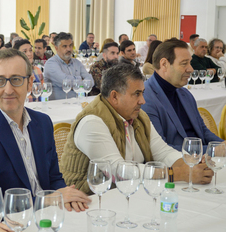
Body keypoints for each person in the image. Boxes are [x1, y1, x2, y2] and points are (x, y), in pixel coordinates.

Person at [0, 49, 91, 227]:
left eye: (16, 79)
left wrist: (64, 194)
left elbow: (54, 177)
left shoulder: (42, 123)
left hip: (46, 219)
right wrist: (47, 200)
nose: (7, 89)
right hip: (9, 225)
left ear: (30, 83)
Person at [60, 63, 213, 195]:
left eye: (143, 93)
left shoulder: (140, 116)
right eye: (137, 94)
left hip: (128, 193)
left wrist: (190, 164)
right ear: (114, 97)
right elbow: (119, 171)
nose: (143, 100)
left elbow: (162, 152)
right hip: (89, 201)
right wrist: (178, 174)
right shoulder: (92, 122)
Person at [141, 39, 224, 152]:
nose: (191, 69)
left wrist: (222, 145)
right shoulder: (145, 98)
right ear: (164, 64)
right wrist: (213, 150)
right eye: (184, 63)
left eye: (190, 62)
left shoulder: (184, 93)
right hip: (178, 165)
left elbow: (203, 130)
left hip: (203, 159)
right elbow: (161, 150)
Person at [44, 32, 94, 100]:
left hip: (78, 103)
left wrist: (75, 82)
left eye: (70, 45)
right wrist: (81, 79)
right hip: (58, 106)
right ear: (56, 48)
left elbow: (91, 82)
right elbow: (64, 82)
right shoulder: (51, 64)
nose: (69, 49)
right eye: (64, 46)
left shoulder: (77, 63)